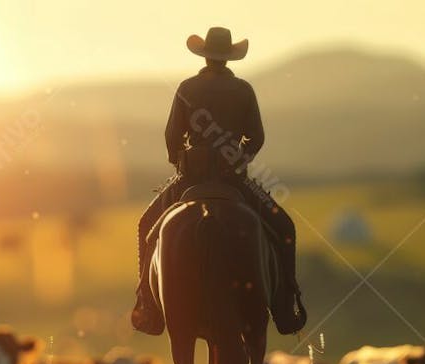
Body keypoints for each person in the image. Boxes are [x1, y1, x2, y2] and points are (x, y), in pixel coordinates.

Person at [131, 27, 307, 336]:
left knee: (146, 224)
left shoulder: (186, 87)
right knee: (284, 228)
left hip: (189, 178)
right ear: (229, 57)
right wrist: (238, 157)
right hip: (234, 180)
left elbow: (172, 136)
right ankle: (284, 306)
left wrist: (181, 162)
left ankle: (147, 307)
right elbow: (257, 137)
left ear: (204, 55)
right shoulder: (243, 89)